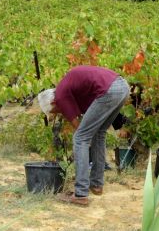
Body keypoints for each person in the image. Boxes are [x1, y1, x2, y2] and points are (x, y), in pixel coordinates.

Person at [38, 65, 129, 206]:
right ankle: (96, 185)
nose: (58, 113)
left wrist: (82, 146)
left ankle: (80, 193)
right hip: (122, 87)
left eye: (55, 111)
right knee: (99, 133)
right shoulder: (70, 91)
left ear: (52, 102)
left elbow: (79, 129)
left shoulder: (61, 95)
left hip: (110, 90)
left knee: (80, 138)